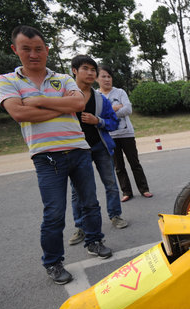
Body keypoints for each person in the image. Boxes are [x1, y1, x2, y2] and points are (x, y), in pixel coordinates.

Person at [0, 26, 112, 285]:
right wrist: (60, 107)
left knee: (90, 203)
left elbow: (78, 104)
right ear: (15, 50)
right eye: (26, 49)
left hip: (79, 150)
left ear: (47, 50)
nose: (33, 54)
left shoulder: (63, 78)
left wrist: (36, 101)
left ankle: (94, 241)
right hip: (46, 156)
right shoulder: (7, 80)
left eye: (39, 49)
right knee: (54, 213)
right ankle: (52, 262)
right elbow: (19, 114)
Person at [67, 55, 128, 246]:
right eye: (86, 68)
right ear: (74, 71)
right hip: (76, 149)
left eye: (93, 70)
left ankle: (115, 215)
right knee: (78, 191)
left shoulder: (100, 99)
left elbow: (113, 122)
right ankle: (81, 226)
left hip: (100, 146)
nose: (91, 73)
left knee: (110, 183)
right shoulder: (65, 96)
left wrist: (98, 121)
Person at [97, 65, 152, 202]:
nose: (107, 79)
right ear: (97, 78)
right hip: (109, 136)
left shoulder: (120, 92)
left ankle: (144, 189)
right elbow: (98, 114)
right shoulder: (96, 95)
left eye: (109, 76)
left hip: (127, 133)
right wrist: (114, 108)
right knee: (119, 167)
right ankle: (126, 192)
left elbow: (128, 109)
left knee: (135, 163)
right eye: (103, 76)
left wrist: (108, 113)